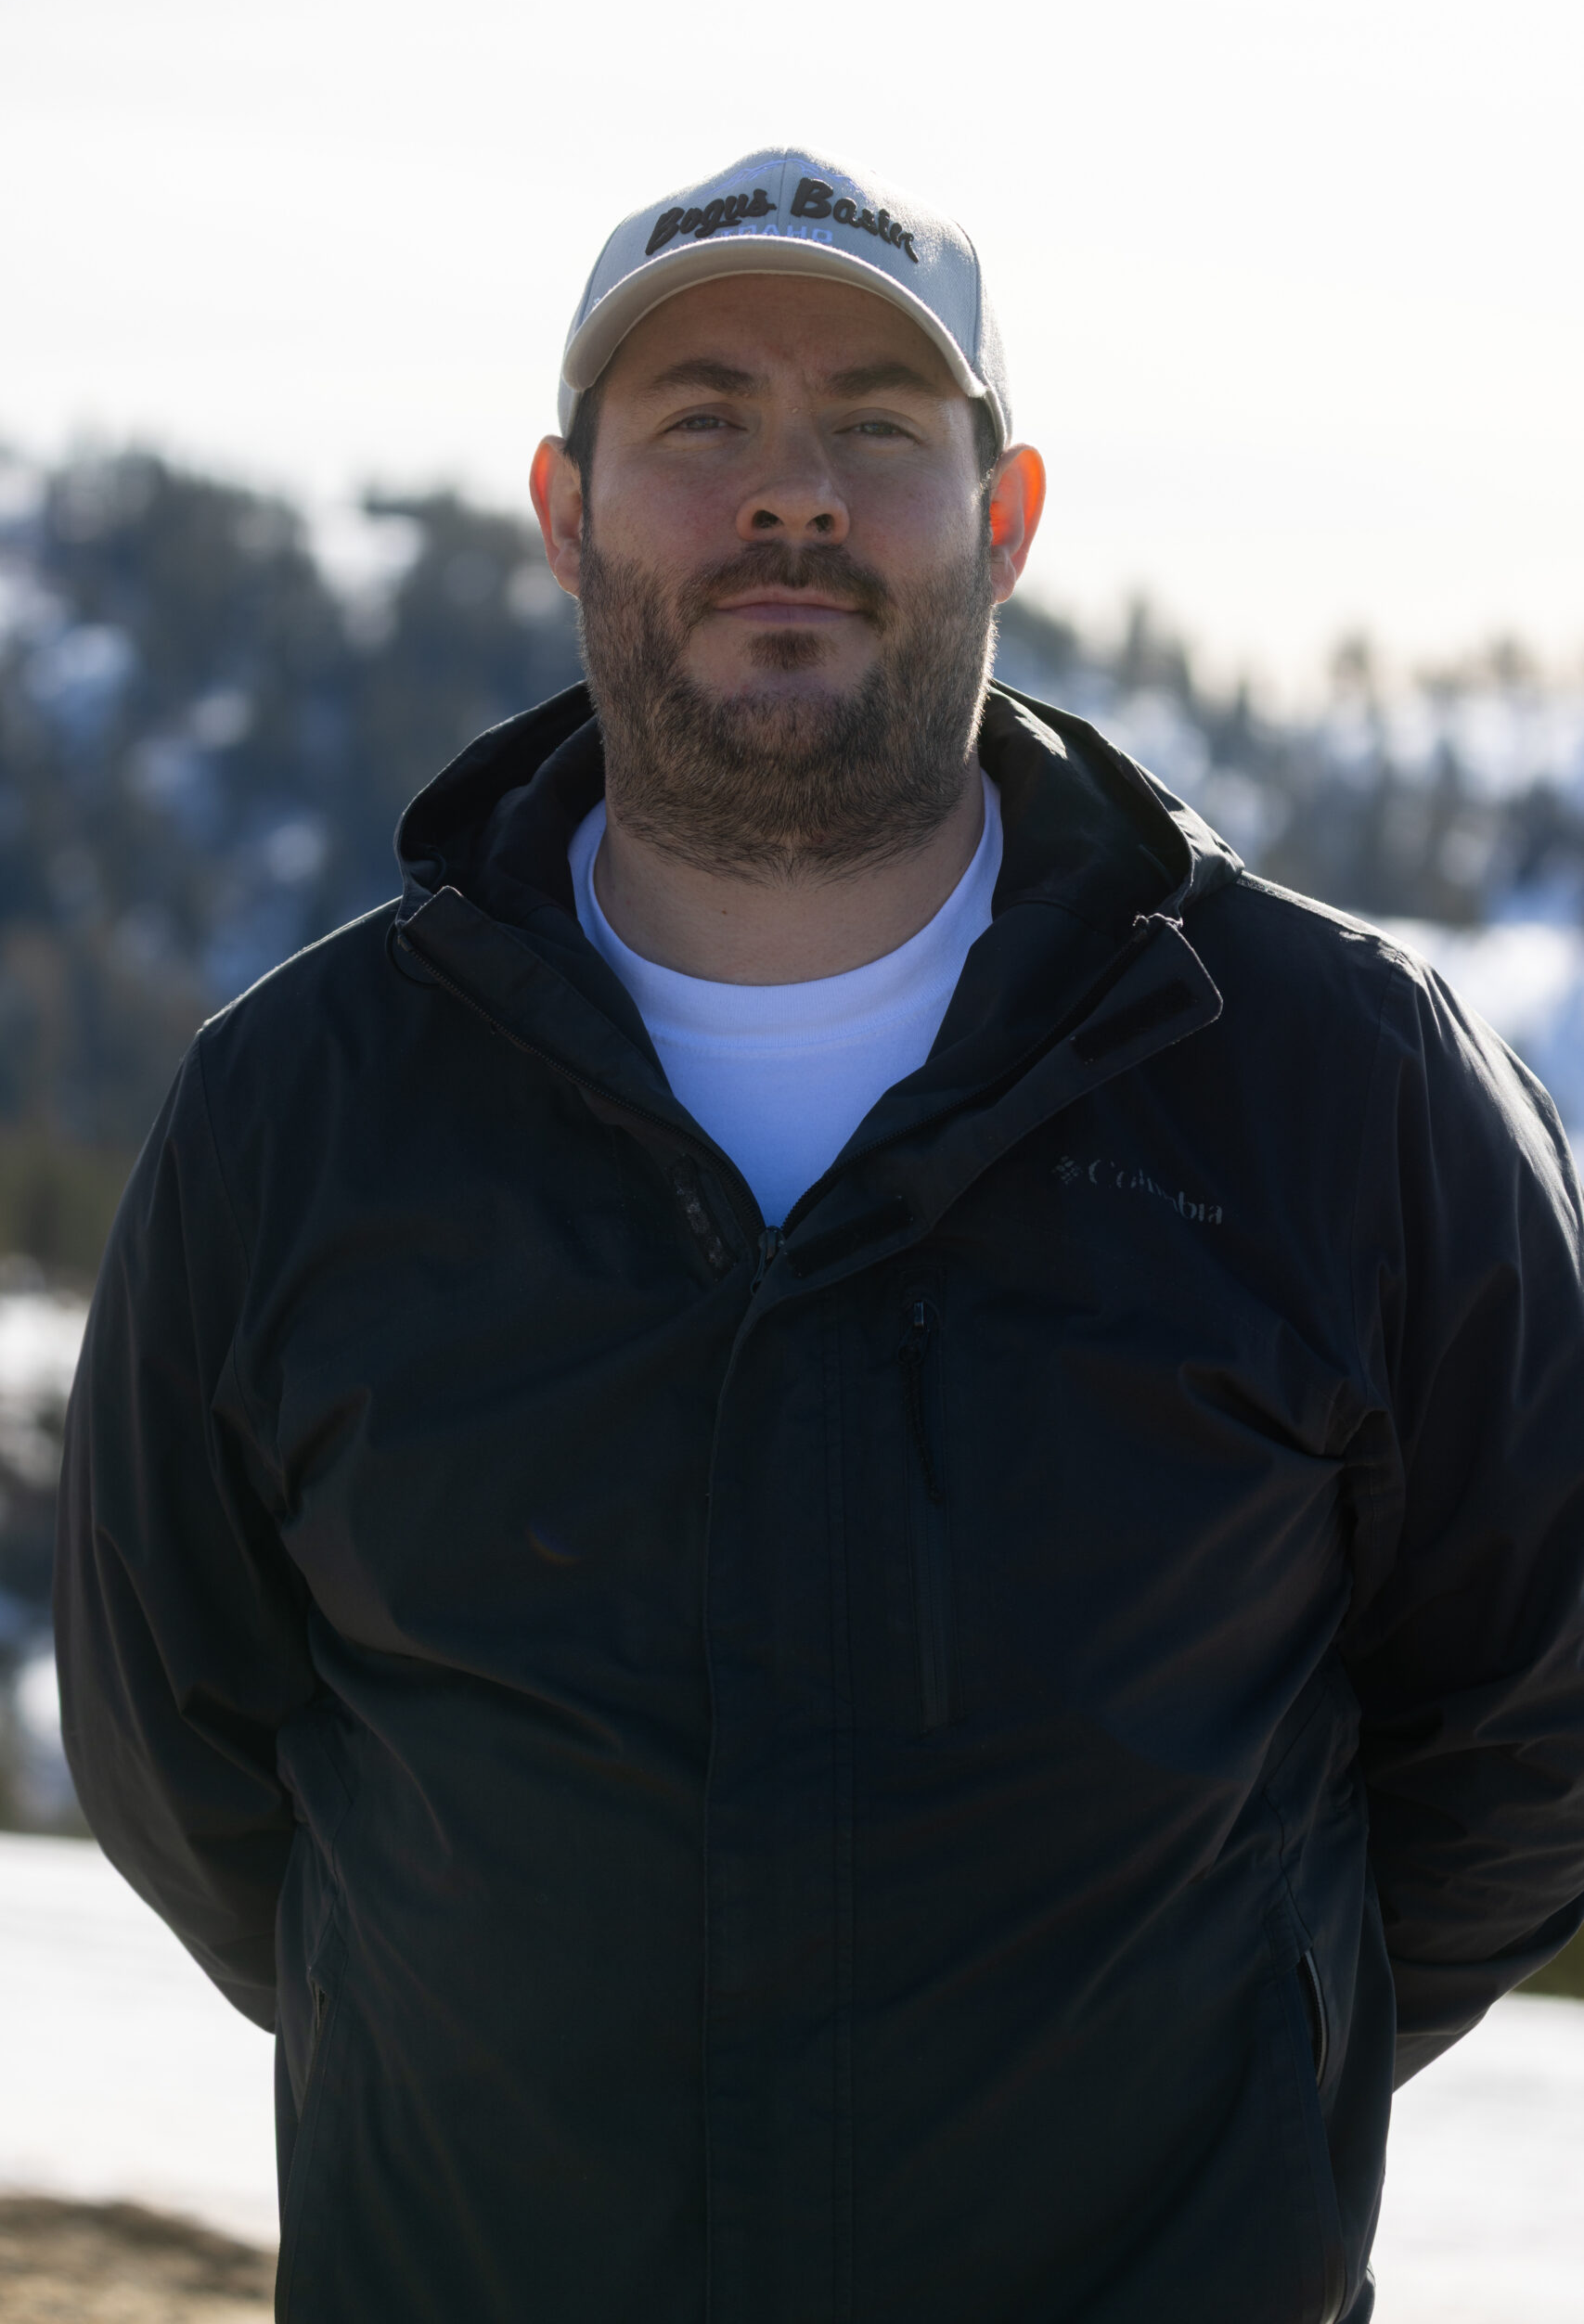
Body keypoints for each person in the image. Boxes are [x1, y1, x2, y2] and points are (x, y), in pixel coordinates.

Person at [56, 148, 1584, 2324]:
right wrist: (478, 2051)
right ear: (563, 513)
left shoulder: (1342, 1080)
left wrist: (1244, 2066)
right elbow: (183, 1757)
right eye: (702, 422)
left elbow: (1530, 1725)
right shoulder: (294, 1113)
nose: (790, 492)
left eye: (875, 424)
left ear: (1005, 514)